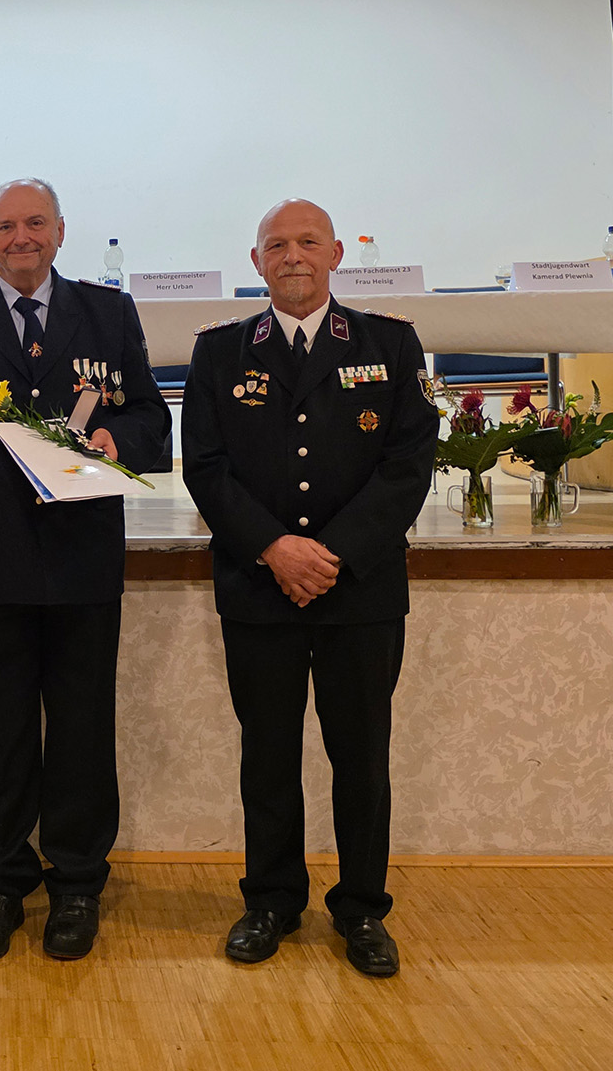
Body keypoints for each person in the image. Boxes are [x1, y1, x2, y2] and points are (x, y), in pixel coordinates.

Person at [0, 178, 170, 962]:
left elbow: (152, 416)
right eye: (6, 226)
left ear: (60, 231)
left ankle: (77, 882)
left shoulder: (108, 311)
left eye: (35, 223)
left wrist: (119, 439)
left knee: (82, 724)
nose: (21, 237)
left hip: (83, 550)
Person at [180, 198, 438, 978]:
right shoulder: (220, 351)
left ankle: (362, 908)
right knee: (267, 755)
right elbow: (206, 468)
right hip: (259, 588)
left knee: (361, 757)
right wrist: (273, 548)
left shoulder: (389, 343)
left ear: (334, 255)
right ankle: (271, 900)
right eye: (276, 244)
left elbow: (408, 465)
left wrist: (330, 554)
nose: (292, 255)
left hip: (359, 590)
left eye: (307, 241)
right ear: (256, 261)